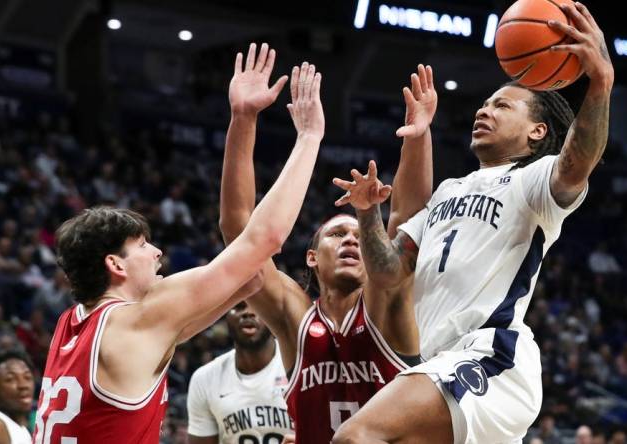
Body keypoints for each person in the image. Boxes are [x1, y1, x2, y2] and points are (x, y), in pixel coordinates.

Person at [331, 2, 614, 443]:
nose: (484, 111)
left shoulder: (532, 182)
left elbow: (578, 162)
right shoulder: (448, 190)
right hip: (438, 359)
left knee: (356, 436)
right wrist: (368, 215)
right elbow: (388, 272)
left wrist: (599, 82)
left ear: (537, 132)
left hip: (490, 354)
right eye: (484, 104)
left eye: (502, 105)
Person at [32, 56, 326, 443]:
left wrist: (243, 120)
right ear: (114, 264)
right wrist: (308, 138)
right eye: (142, 246)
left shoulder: (71, 325)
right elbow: (263, 241)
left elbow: (250, 278)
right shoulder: (138, 318)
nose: (157, 253)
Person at [219, 43, 435, 442]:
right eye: (339, 234)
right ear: (313, 258)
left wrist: (418, 138)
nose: (353, 240)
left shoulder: (386, 306)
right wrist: (244, 118)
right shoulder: (294, 317)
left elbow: (409, 219)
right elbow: (238, 231)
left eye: (358, 235)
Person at [187, 300, 293, 443]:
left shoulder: (299, 363)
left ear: (272, 314)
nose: (248, 312)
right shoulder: (204, 378)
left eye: (257, 305)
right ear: (225, 316)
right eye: (239, 306)